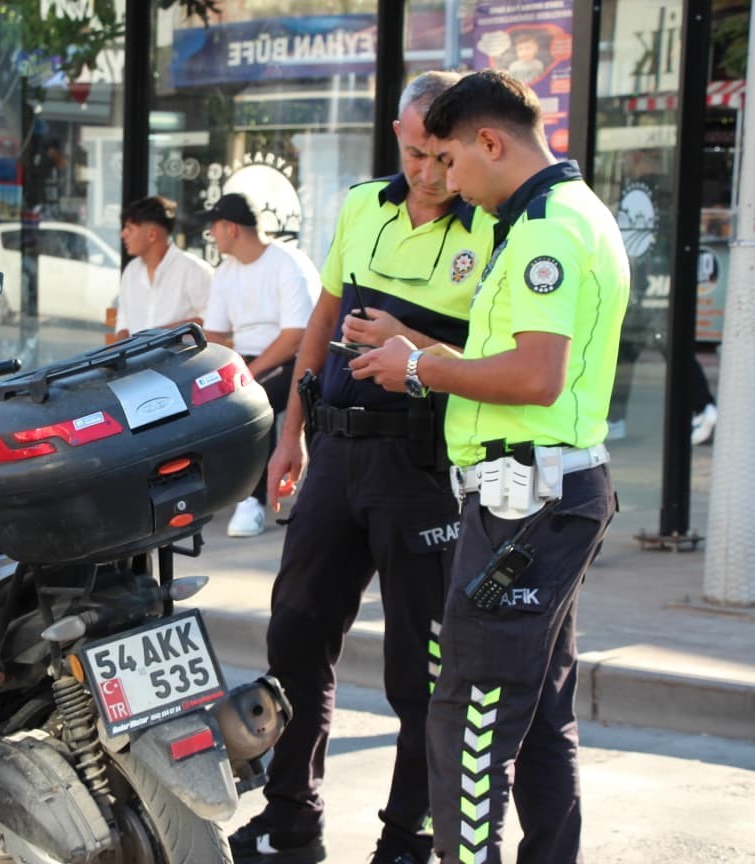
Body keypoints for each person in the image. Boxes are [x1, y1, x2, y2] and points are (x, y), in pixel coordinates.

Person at [351, 69, 628, 864]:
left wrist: (419, 370)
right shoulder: (568, 212)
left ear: (489, 141)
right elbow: (514, 364)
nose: (442, 181)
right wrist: (420, 351)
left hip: (526, 501)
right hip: (545, 492)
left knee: (469, 717)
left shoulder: (544, 229)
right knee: (537, 713)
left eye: (447, 160)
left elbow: (534, 376)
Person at [226, 71, 495, 864]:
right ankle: (290, 819)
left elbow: (508, 360)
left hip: (423, 464)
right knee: (295, 640)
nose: (428, 173)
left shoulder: (489, 226)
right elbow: (323, 316)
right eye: (414, 153)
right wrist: (291, 432)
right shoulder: (362, 205)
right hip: (337, 453)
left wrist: (411, 341)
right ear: (398, 135)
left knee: (423, 669)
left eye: (440, 157)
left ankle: (407, 838)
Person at [198, 192, 319, 538]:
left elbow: (296, 336)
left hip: (294, 361)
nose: (212, 234)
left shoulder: (287, 263)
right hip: (247, 363)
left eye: (215, 226)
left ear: (232, 228)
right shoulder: (225, 272)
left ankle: (252, 502)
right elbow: (214, 333)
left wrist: (248, 374)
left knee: (255, 400)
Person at [114, 195, 213, 340]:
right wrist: (122, 355)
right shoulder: (131, 271)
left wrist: (159, 336)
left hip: (182, 361)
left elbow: (212, 319)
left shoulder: (194, 269)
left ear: (152, 235)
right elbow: (123, 323)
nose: (123, 234)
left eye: (129, 228)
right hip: (136, 361)